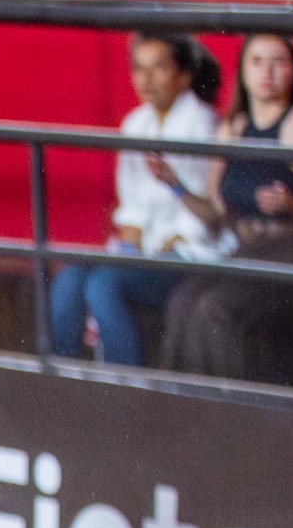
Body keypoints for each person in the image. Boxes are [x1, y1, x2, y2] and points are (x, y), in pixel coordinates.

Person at [48, 32, 223, 367]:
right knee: (69, 277)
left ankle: (123, 383)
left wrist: (162, 245)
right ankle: (62, 377)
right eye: (139, 69)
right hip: (147, 250)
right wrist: (131, 247)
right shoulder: (136, 123)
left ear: (183, 75)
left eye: (158, 68)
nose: (146, 80)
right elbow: (132, 207)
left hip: (189, 250)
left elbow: (208, 208)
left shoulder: (202, 123)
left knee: (103, 285)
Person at [161, 34, 293, 388]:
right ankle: (181, 409)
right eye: (257, 61)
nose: (268, 72)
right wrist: (175, 185)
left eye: (278, 61)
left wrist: (291, 205)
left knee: (214, 309)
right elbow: (213, 214)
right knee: (182, 300)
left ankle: (228, 418)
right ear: (243, 71)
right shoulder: (231, 128)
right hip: (245, 249)